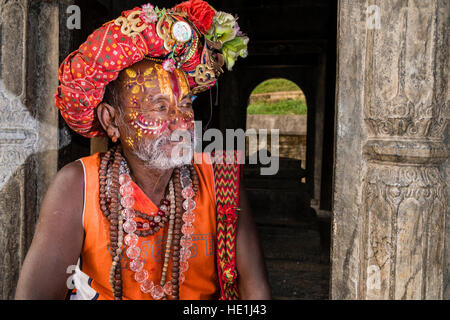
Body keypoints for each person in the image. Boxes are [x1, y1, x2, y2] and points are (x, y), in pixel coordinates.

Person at [15, 1, 270, 300]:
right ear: (111, 120)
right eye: (160, 107)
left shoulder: (220, 180)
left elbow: (257, 295)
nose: (180, 123)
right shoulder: (77, 185)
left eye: (185, 104)